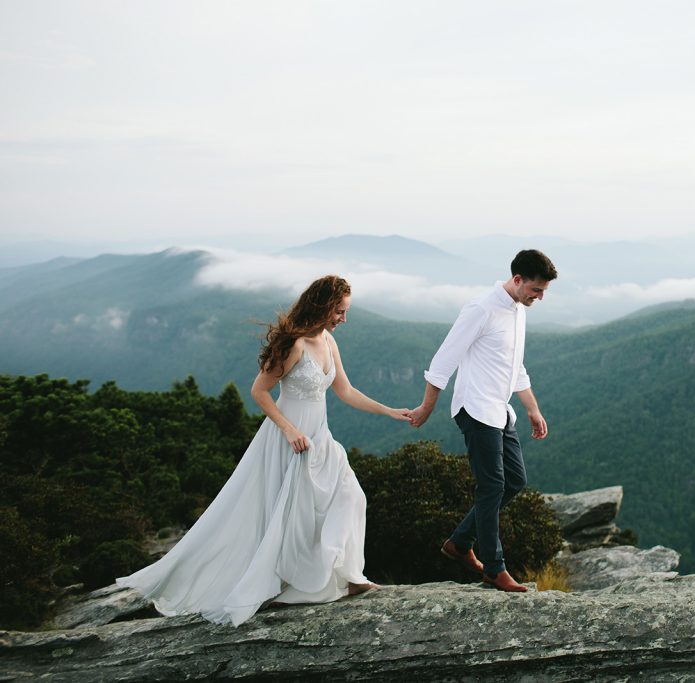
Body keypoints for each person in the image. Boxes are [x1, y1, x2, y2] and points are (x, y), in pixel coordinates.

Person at [118, 275, 411, 626]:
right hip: (289, 440)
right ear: (322, 305)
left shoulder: (329, 342)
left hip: (321, 439)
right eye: (339, 311)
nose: (343, 319)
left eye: (345, 312)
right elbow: (259, 391)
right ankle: (297, 582)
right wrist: (289, 431)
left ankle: (349, 577)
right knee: (293, 516)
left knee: (351, 497)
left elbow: (345, 391)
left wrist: (389, 411)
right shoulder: (292, 344)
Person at [408, 249, 557, 592]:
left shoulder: (519, 310)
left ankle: (459, 543)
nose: (540, 297)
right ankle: (494, 568)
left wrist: (532, 408)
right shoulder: (480, 309)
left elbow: (514, 366)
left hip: (500, 410)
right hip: (475, 408)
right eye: (537, 290)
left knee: (515, 481)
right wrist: (426, 407)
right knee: (491, 486)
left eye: (544, 291)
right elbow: (443, 360)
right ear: (518, 280)